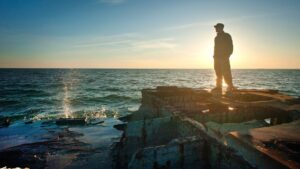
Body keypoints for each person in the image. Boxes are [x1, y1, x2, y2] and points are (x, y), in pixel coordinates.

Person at [212, 23, 236, 92]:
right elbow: (215, 48)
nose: (215, 29)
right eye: (215, 27)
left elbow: (230, 47)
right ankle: (218, 87)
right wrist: (214, 56)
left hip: (224, 57)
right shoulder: (216, 38)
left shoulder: (227, 36)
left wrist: (227, 55)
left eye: (217, 27)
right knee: (218, 72)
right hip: (216, 58)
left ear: (221, 28)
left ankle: (230, 86)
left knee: (226, 72)